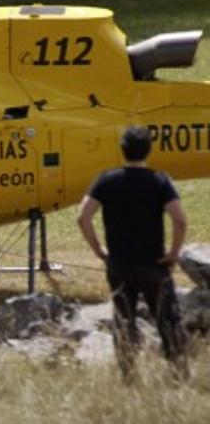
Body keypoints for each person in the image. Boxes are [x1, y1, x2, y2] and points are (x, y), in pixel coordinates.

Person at [76, 126, 189, 381]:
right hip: (153, 263)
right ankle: (178, 374)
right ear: (149, 149)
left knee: (124, 321)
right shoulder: (159, 181)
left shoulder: (106, 180)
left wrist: (98, 250)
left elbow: (83, 217)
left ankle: (128, 375)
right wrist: (173, 253)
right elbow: (180, 220)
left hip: (119, 264)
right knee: (167, 320)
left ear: (122, 150)